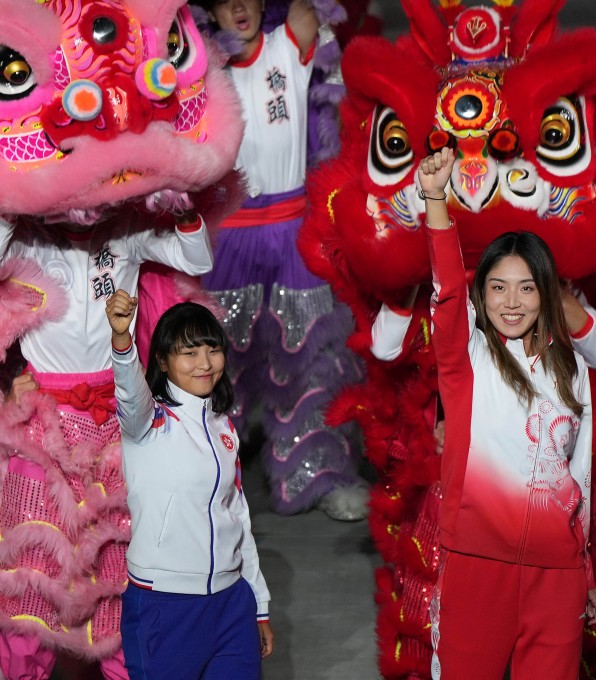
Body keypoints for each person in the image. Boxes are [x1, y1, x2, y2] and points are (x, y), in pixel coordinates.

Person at [0, 208, 214, 680]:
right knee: (30, 582)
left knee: (119, 576)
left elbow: (195, 259)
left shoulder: (126, 231)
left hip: (116, 423)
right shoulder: (26, 235)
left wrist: (185, 210)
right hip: (43, 428)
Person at [418, 147, 596, 680]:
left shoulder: (573, 372)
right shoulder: (467, 362)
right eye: (498, 288)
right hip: (476, 568)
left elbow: (580, 479)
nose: (513, 302)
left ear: (546, 295)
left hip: (557, 575)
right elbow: (447, 293)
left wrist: (584, 570)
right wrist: (436, 200)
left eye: (527, 288)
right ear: (483, 296)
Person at [201, 0, 367, 520]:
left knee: (307, 361)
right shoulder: (200, 65)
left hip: (293, 233)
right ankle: (207, 479)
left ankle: (316, 473)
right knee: (214, 362)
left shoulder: (287, 43)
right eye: (223, 1)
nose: (237, 8)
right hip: (226, 239)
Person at [107, 290, 273, 680]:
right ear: (163, 361)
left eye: (212, 350)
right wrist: (121, 340)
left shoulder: (224, 427)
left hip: (232, 604)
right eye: (189, 353)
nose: (204, 363)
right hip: (165, 606)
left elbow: (238, 518)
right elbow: (130, 393)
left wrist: (259, 604)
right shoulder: (147, 424)